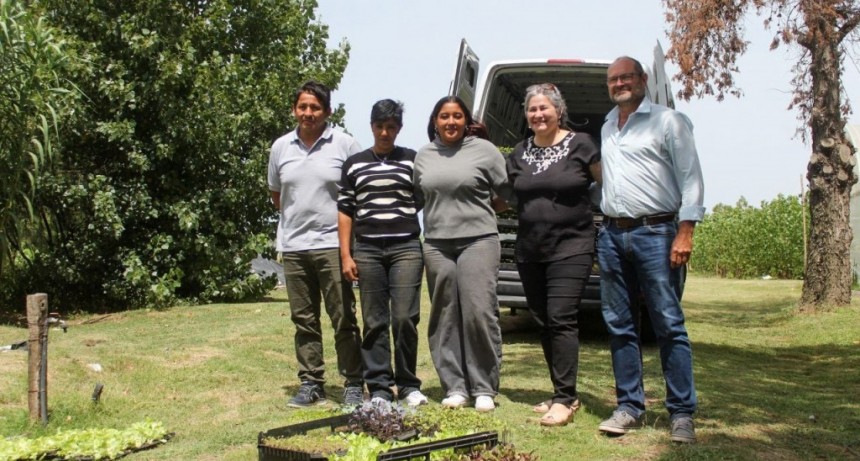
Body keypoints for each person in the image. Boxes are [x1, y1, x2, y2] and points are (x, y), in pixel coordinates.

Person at [596, 57, 705, 443]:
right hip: (611, 235)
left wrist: (685, 231)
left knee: (668, 324)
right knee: (619, 325)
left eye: (627, 76)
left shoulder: (668, 121)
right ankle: (629, 406)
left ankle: (681, 413)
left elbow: (691, 178)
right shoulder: (608, 125)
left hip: (657, 232)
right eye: (613, 79)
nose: (620, 83)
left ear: (643, 79)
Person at [505, 83, 601, 427]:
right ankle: (563, 391)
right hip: (531, 249)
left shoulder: (582, 145)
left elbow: (606, 183)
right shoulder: (518, 152)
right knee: (544, 321)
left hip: (572, 246)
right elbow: (507, 195)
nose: (538, 114)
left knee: (561, 317)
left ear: (558, 111)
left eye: (544, 108)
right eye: (532, 109)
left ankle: (564, 398)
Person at [267, 80, 365, 407]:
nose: (308, 113)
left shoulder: (345, 145)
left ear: (327, 111)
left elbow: (358, 193)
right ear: (295, 109)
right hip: (294, 247)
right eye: (303, 107)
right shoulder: (280, 147)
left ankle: (353, 382)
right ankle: (311, 382)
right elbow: (277, 195)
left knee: (343, 317)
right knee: (304, 319)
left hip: (333, 245)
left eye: (315, 107)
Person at [413, 96, 511, 412]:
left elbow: (505, 195)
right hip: (438, 244)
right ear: (435, 121)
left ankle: (483, 387)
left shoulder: (485, 151)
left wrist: (478, 211)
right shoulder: (424, 156)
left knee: (479, 311)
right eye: (444, 116)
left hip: (479, 241)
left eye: (457, 116)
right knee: (443, 315)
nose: (451, 122)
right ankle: (455, 386)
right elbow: (417, 198)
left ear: (466, 121)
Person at [337, 99, 429, 407]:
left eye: (391, 127)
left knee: (404, 317)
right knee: (374, 320)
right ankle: (378, 386)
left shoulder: (412, 161)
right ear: (372, 126)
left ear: (399, 128)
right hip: (367, 250)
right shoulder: (354, 164)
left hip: (406, 248)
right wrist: (346, 255)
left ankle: (407, 384)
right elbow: (346, 210)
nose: (385, 133)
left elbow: (420, 199)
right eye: (380, 126)